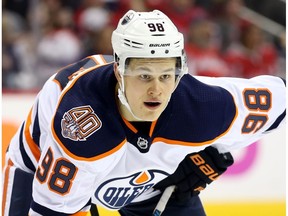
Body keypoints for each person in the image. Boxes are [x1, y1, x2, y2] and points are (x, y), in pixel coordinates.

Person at [2, 10, 285, 216]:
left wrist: (216, 145)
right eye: (144, 76)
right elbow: (54, 211)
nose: (157, 91)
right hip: (38, 169)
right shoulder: (82, 125)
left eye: (166, 75)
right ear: (119, 71)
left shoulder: (202, 104)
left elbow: (279, 102)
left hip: (152, 188)